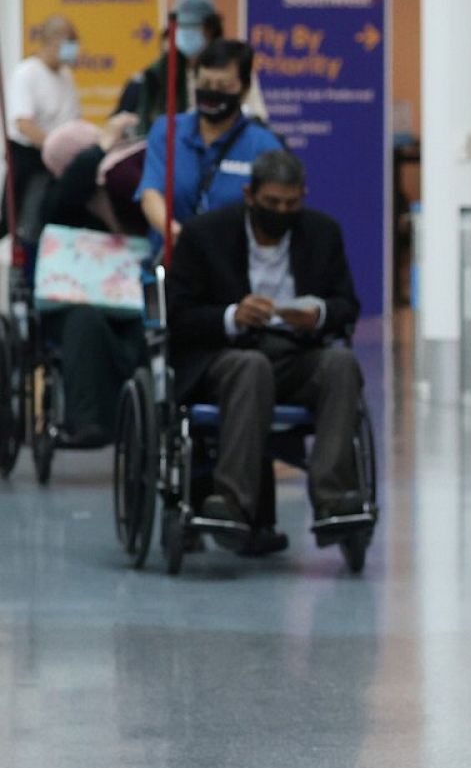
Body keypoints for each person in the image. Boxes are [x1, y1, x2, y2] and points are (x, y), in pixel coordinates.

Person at [164, 150, 364, 553]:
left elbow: (346, 304)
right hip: (225, 356)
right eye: (272, 203)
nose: (282, 211)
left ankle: (332, 499)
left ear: (303, 197)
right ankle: (233, 505)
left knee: (341, 363)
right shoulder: (205, 235)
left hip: (294, 354)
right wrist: (232, 315)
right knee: (250, 366)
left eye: (291, 204)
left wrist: (318, 314)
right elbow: (178, 316)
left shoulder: (322, 232)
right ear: (249, 195)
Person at [35, 116, 147, 448]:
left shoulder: (126, 190)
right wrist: (97, 150)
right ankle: (89, 421)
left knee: (148, 328)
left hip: (129, 301)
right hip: (74, 306)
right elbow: (66, 194)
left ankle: (146, 410)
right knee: (86, 322)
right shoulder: (60, 204)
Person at [136, 39, 283, 260]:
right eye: (205, 84)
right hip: (173, 260)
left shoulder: (264, 145)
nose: (212, 92)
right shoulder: (167, 130)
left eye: (223, 87)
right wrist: (181, 237)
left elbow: (273, 214)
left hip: (234, 265)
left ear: (244, 89)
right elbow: (150, 194)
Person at [132, 0, 268, 137]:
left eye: (193, 27)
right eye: (181, 27)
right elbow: (146, 126)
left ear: (211, 28)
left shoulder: (235, 65)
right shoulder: (161, 72)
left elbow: (257, 117)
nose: (186, 33)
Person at [4, 14, 80, 241]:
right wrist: (54, 147)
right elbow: (23, 123)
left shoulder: (66, 77)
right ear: (54, 41)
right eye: (70, 43)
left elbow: (73, 120)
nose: (73, 50)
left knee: (50, 220)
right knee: (25, 222)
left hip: (59, 162)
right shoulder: (27, 73)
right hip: (30, 157)